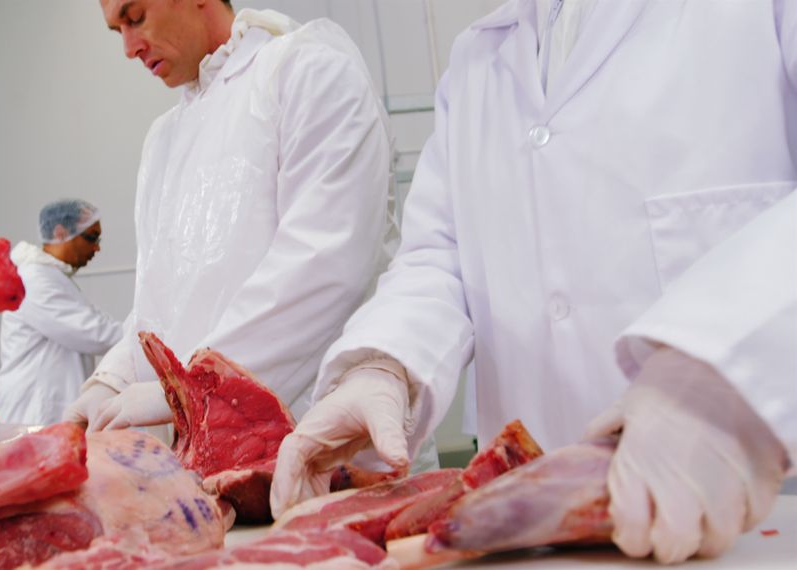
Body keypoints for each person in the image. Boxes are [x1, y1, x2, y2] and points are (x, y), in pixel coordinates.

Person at [270, 0, 797, 564]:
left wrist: (718, 387)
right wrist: (386, 364)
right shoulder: (479, 57)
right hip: (531, 533)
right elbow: (440, 256)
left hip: (754, 516)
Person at [63, 0, 392, 431]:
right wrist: (111, 379)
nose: (128, 48)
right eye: (116, 30)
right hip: (209, 448)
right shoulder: (164, 139)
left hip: (323, 437)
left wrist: (193, 387)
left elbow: (326, 264)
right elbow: (159, 303)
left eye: (136, 17)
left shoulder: (305, 72)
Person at [0, 199, 123, 425]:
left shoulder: (53, 276)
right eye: (91, 237)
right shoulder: (34, 279)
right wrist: (145, 332)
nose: (97, 247)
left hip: (46, 414)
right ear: (61, 233)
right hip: (32, 416)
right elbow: (96, 334)